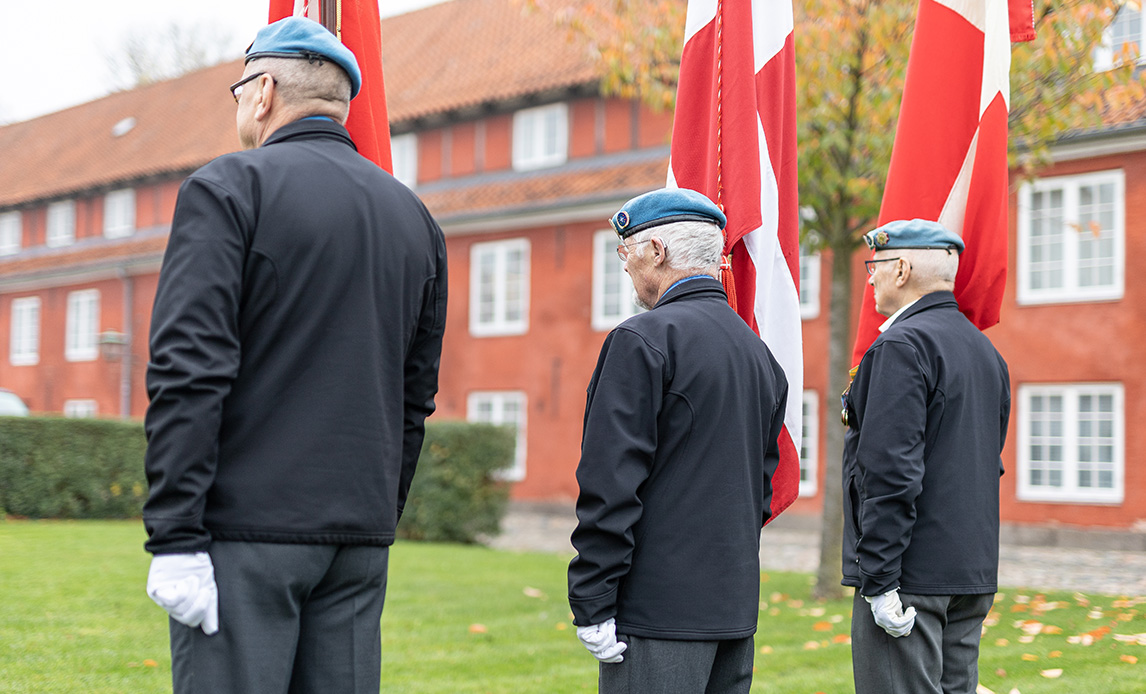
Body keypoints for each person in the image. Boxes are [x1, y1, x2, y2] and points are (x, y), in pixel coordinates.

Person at [141, 17, 447, 694]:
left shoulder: (227, 189)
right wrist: (375, 514)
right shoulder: (416, 220)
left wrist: (174, 534)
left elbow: (189, 368)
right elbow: (413, 397)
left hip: (247, 531)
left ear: (263, 91)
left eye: (238, 91)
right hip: (358, 540)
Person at [567, 188, 789, 694]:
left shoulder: (641, 339)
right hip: (732, 610)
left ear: (657, 252)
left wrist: (593, 596)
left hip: (658, 613)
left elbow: (611, 481)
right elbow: (759, 491)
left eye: (626, 252)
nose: (624, 267)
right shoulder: (758, 354)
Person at [842, 219, 1010, 694]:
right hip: (969, 572)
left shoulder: (901, 345)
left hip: (910, 574)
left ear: (901, 268)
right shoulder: (985, 352)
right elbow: (985, 460)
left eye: (874, 266)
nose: (869, 278)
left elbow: (889, 472)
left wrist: (879, 578)